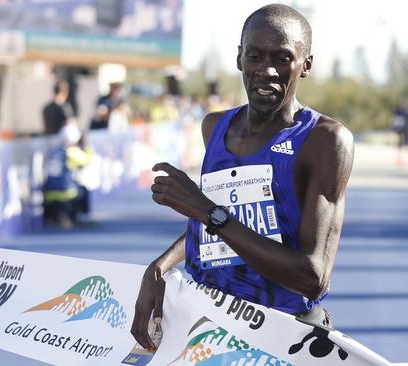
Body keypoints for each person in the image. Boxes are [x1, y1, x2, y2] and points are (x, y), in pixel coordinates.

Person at [131, 4, 354, 350]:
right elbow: (220, 231)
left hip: (283, 334)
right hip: (209, 327)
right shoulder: (215, 128)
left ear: (306, 65)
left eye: (282, 59)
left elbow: (312, 277)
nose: (266, 71)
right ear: (239, 59)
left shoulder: (325, 141)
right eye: (255, 56)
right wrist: (160, 266)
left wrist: (206, 211)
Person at [42, 122, 92, 228]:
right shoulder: (72, 152)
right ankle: (76, 218)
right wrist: (87, 146)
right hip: (66, 192)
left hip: (49, 194)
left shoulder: (53, 151)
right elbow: (87, 160)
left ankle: (52, 219)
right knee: (83, 189)